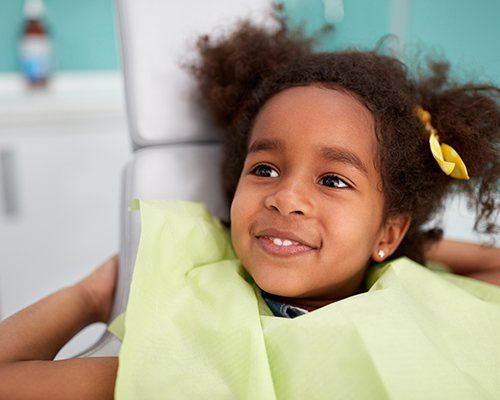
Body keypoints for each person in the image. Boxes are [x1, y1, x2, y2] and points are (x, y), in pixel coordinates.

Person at [0, 10, 498, 399]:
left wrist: (413, 251)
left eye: (332, 179)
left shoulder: (417, 300)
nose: (285, 197)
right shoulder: (198, 349)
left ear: (388, 232)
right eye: (264, 169)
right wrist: (90, 296)